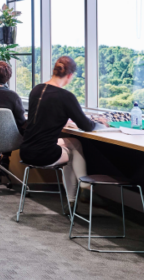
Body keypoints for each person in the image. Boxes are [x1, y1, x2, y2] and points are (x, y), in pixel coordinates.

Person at [20, 56, 108, 205]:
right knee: (73, 151)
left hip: (26, 150)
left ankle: (77, 197)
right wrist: (101, 124)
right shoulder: (65, 96)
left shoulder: (36, 90)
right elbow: (86, 126)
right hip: (44, 154)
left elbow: (43, 116)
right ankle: (82, 192)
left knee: (73, 142)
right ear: (69, 76)